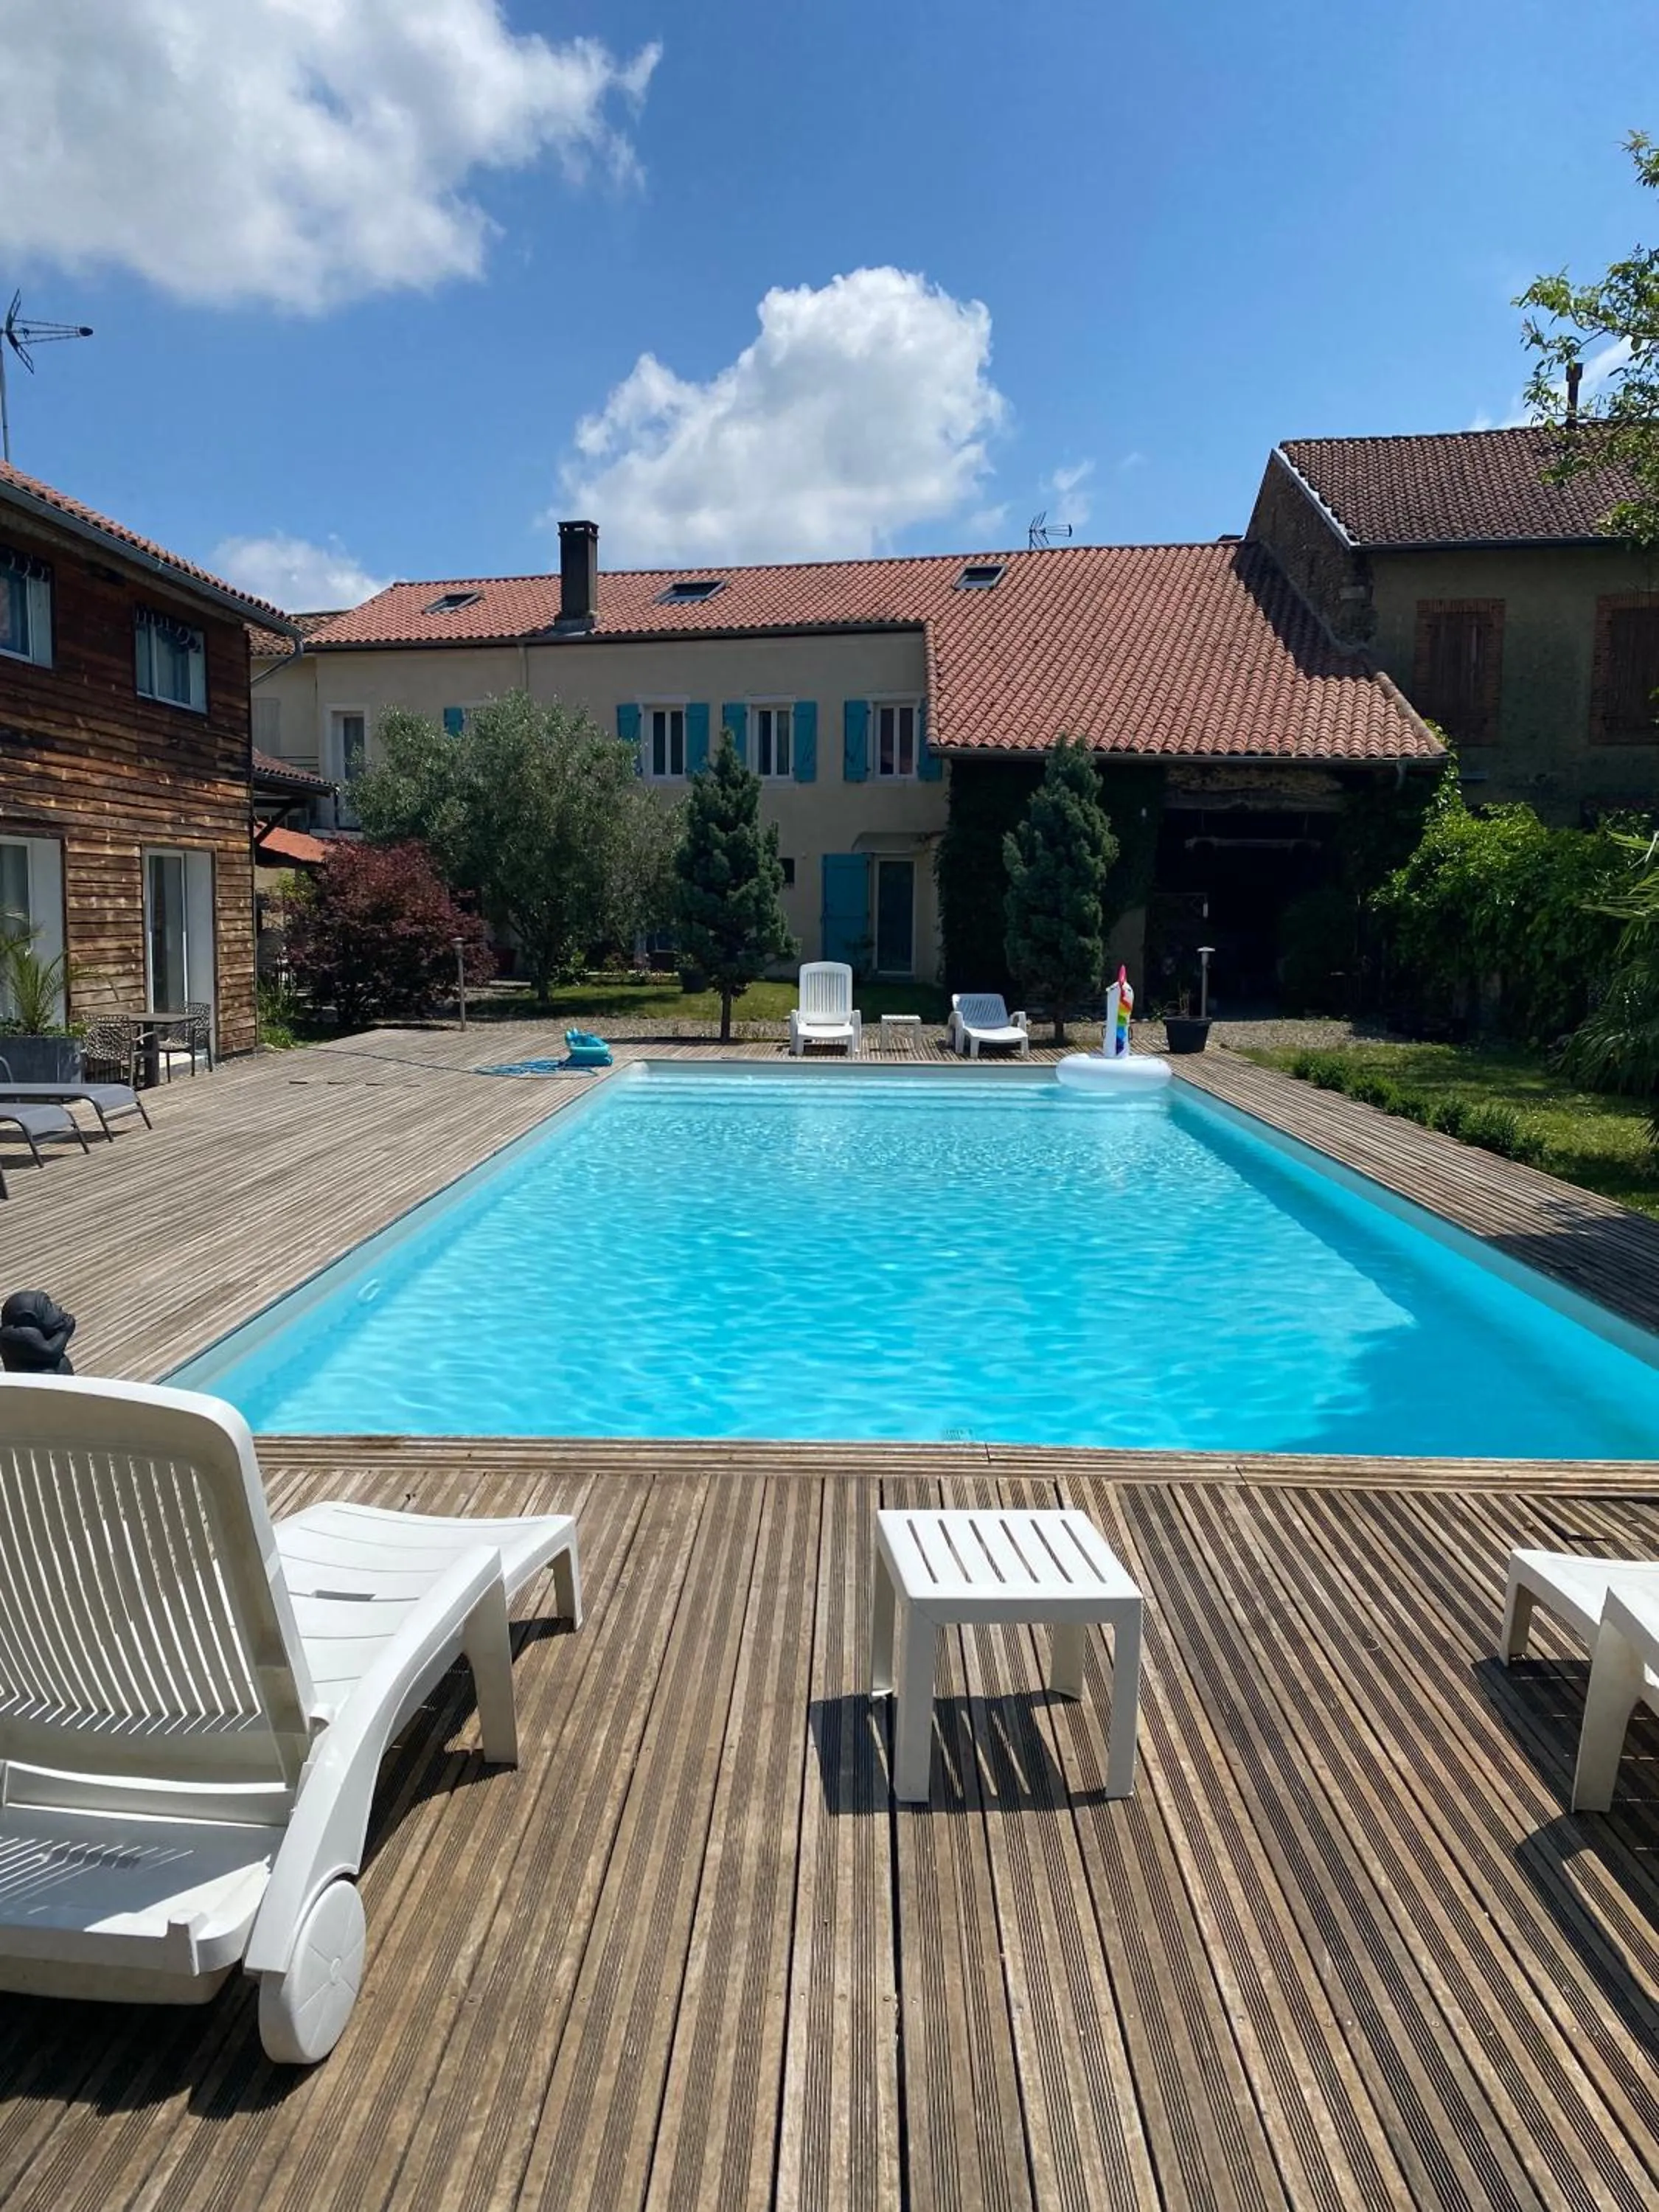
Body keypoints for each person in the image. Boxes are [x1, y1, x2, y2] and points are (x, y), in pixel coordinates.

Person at [0, 1290, 77, 1374]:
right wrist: (64, 1332)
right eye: (48, 1309)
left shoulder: (29, 1330)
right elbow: (51, 1352)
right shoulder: (20, 1334)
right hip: (34, 1380)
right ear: (29, 1318)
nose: (59, 1308)